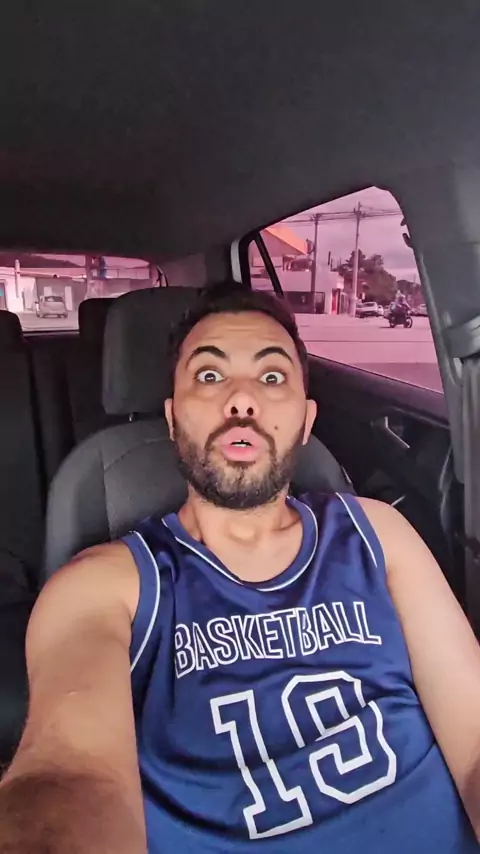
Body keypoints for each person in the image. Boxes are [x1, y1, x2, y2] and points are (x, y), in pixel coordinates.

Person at [1, 286, 480, 854]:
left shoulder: (377, 533)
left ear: (306, 419)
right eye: (209, 375)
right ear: (172, 417)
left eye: (272, 377)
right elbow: (69, 776)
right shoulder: (103, 587)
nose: (242, 400)